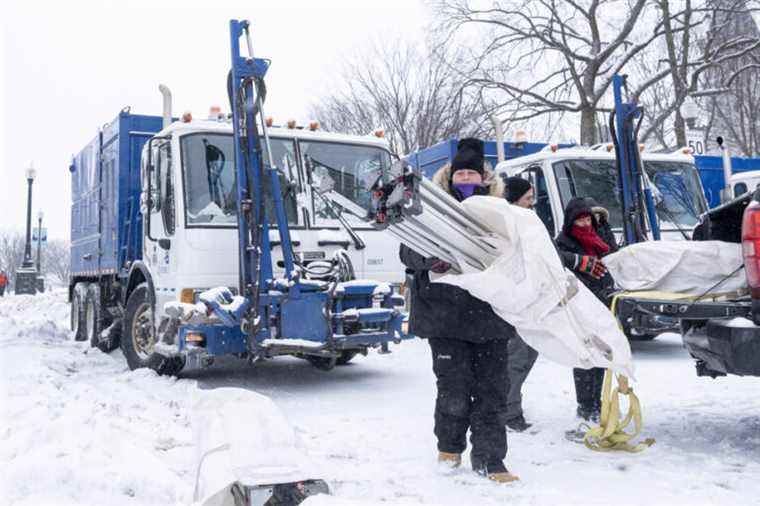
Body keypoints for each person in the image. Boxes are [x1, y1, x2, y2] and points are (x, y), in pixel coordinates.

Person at [400, 138, 519, 483]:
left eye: (472, 173)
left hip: (492, 316)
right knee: (453, 387)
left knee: (493, 390)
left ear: (484, 178)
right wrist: (430, 259)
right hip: (446, 316)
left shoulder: (502, 212)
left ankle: (491, 460)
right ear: (450, 177)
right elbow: (408, 254)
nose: (466, 178)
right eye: (460, 173)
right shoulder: (433, 210)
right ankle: (449, 449)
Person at [555, 197, 618, 421]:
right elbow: (558, 267)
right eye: (579, 221)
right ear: (571, 222)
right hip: (580, 307)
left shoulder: (599, 236)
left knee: (600, 356)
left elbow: (614, 256)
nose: (585, 225)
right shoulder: (562, 242)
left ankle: (596, 402)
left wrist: (605, 225)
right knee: (583, 358)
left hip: (602, 305)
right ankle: (585, 405)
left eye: (588, 219)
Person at [502, 176, 538, 432]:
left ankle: (508, 406)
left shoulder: (527, 220)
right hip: (514, 300)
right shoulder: (508, 223)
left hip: (531, 298)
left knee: (529, 353)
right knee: (517, 357)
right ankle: (509, 412)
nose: (532, 203)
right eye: (528, 198)